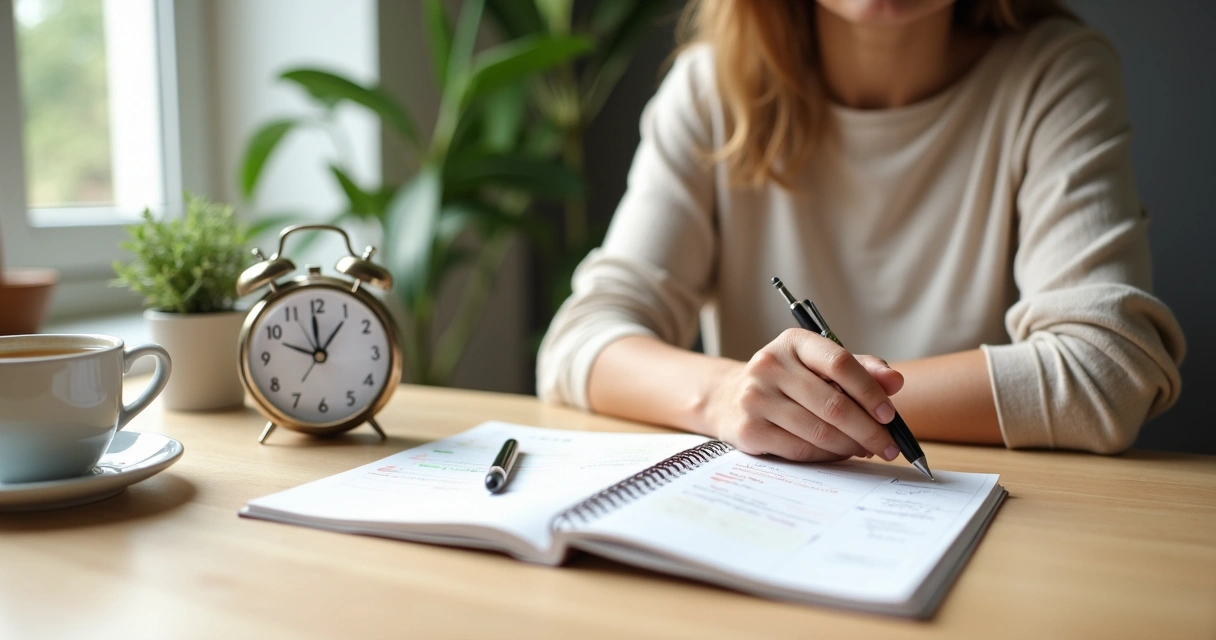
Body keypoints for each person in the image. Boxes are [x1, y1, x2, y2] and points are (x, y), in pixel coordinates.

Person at [537, 0, 1185, 463]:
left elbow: (1104, 370)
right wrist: (727, 396)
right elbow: (582, 339)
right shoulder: (712, 88)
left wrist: (813, 405)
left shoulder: (1053, 73)